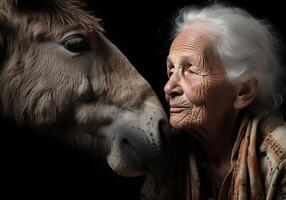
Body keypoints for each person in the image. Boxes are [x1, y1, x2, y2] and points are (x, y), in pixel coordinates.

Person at [141, 3, 286, 200]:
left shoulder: (281, 157)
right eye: (171, 70)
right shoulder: (170, 155)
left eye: (190, 70)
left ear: (243, 90)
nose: (169, 88)